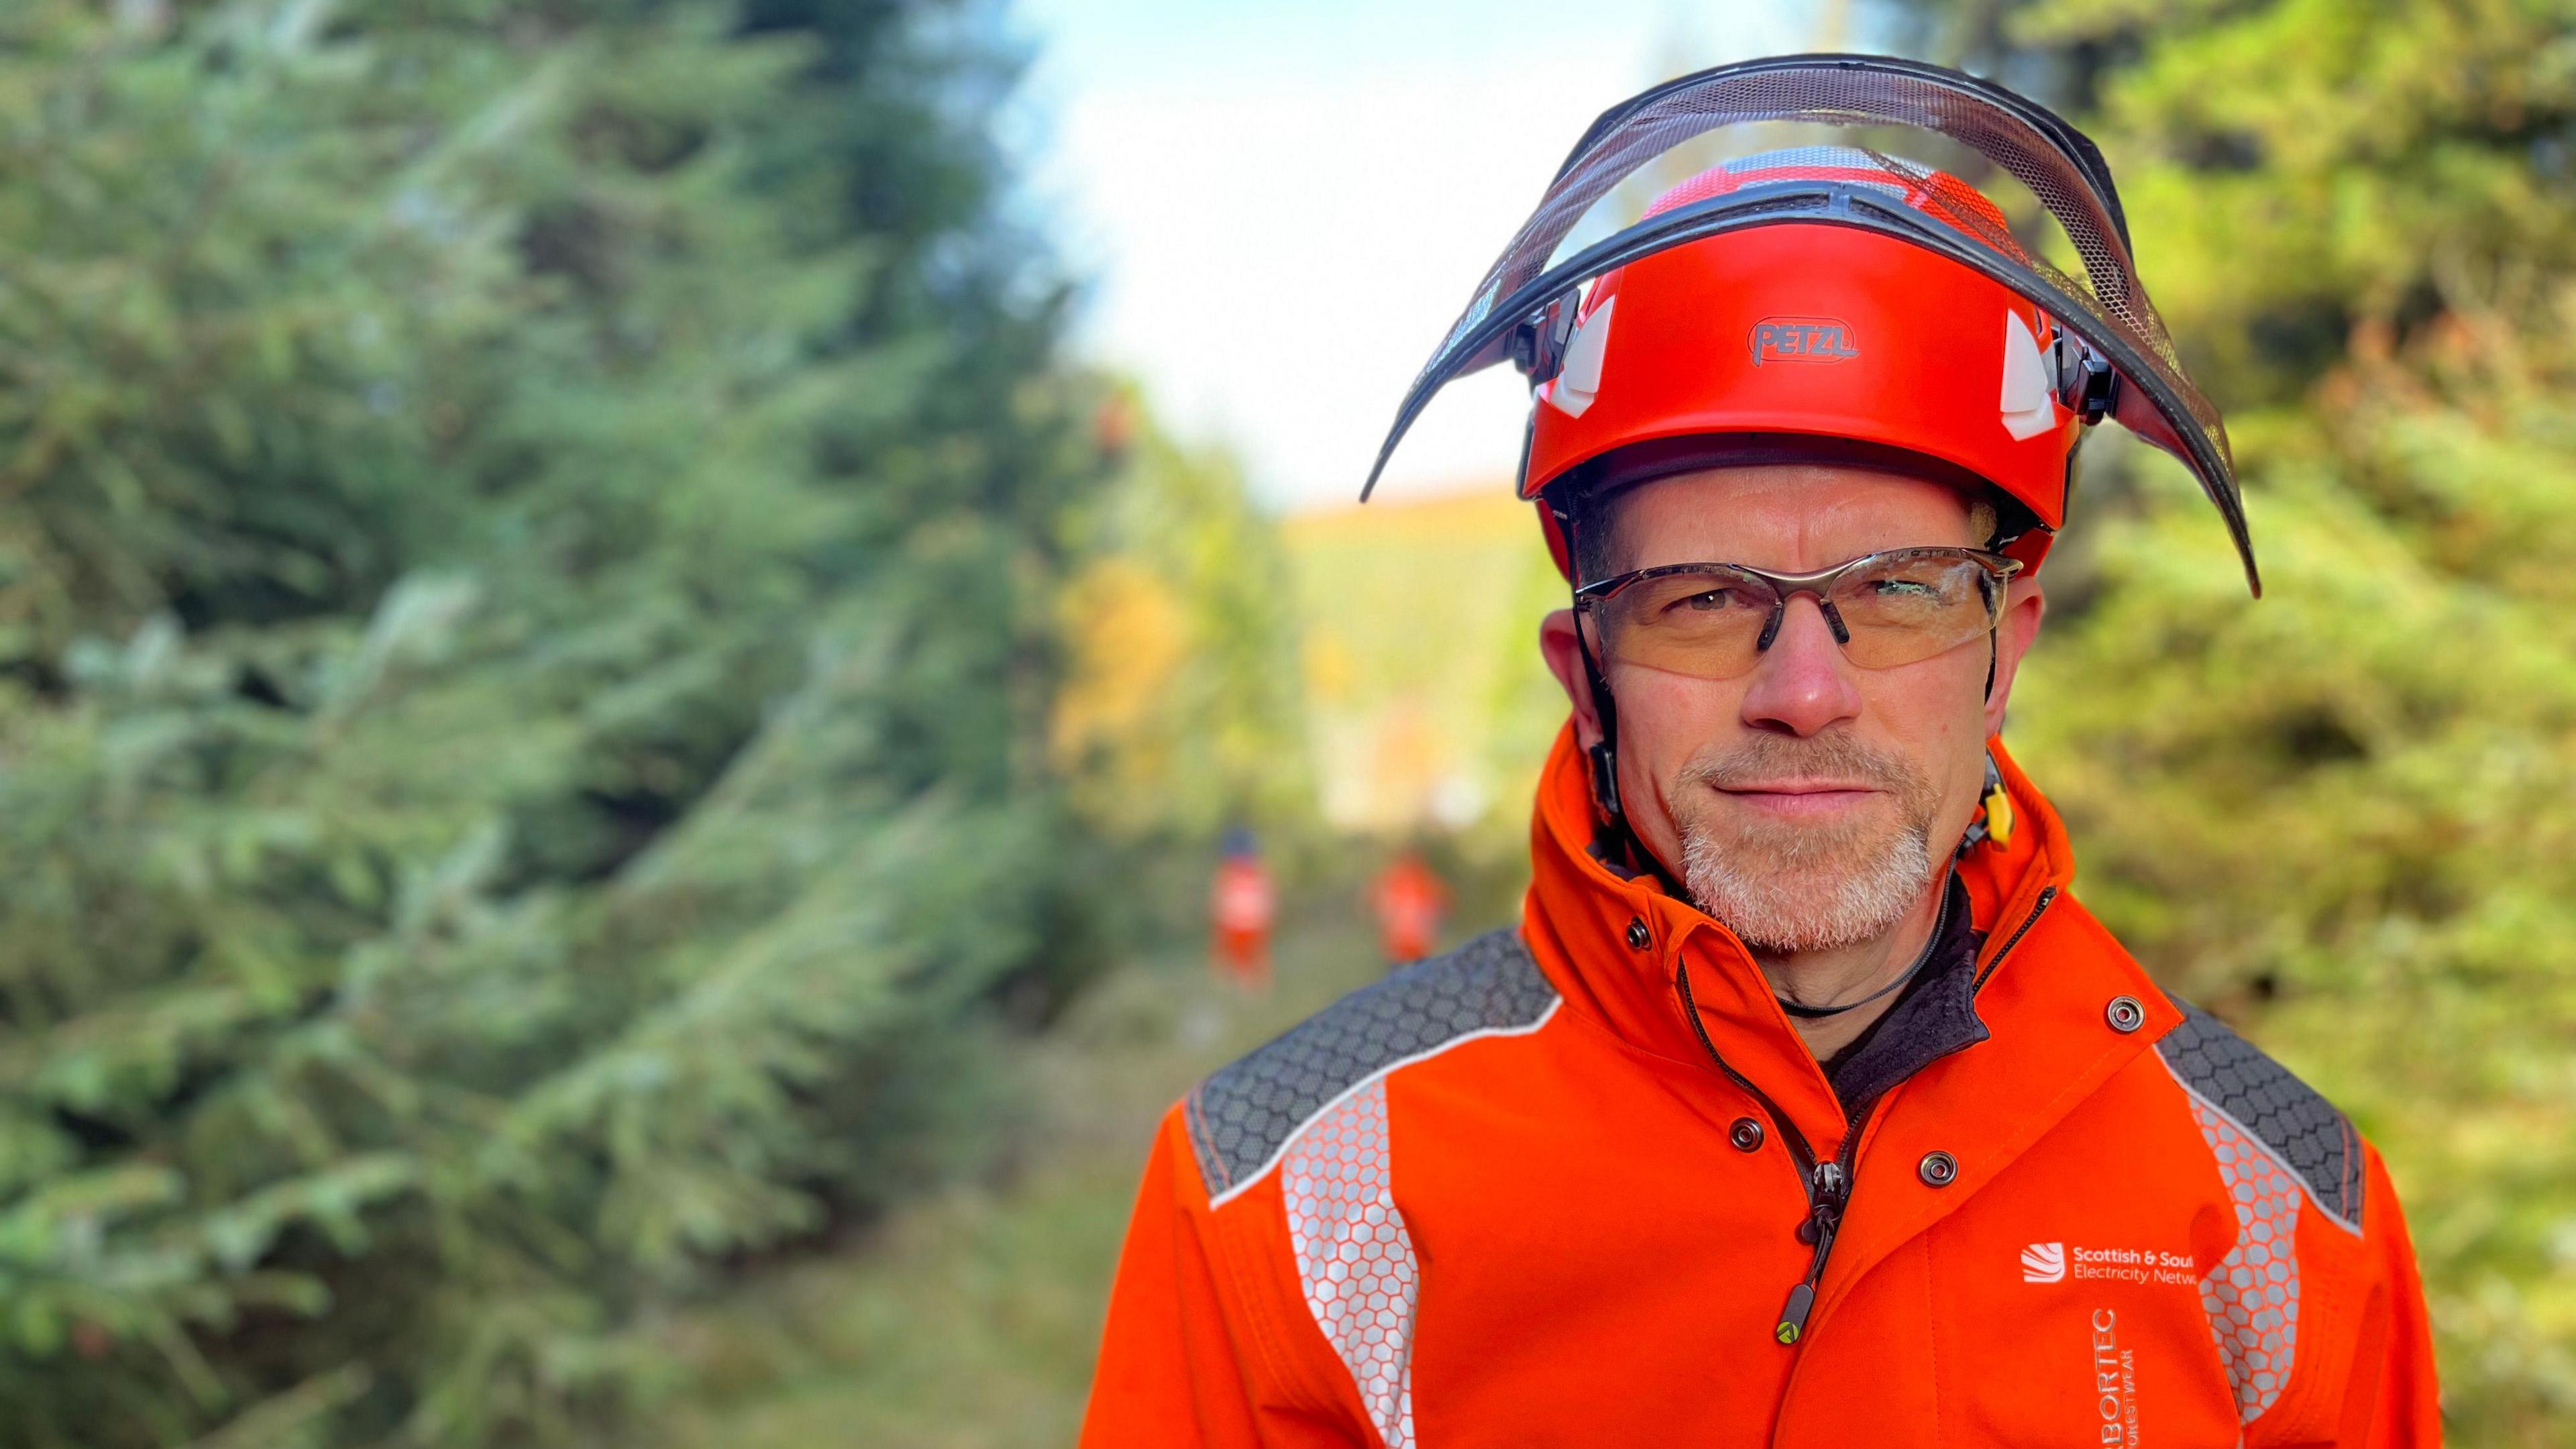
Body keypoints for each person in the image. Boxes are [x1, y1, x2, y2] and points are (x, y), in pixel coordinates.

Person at [1082, 56, 2438, 1446]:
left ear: (2005, 647)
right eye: (1705, 602)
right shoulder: (1285, 1203)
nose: (1804, 691)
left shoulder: (2285, 1223)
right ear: (1588, 678)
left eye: (1898, 589)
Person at [1209, 825, 1277, 990]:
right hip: (1235, 924)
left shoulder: (1256, 872)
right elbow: (1220, 897)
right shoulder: (1230, 873)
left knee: (1253, 961)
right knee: (1235, 961)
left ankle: (1252, 991)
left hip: (1251, 924)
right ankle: (1240, 991)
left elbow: (1267, 894)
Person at [1366, 848, 1448, 965]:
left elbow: (1438, 907)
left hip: (1414, 942)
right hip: (1401, 942)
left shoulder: (1423, 882)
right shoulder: (1399, 881)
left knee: (1413, 971)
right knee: (1403, 973)